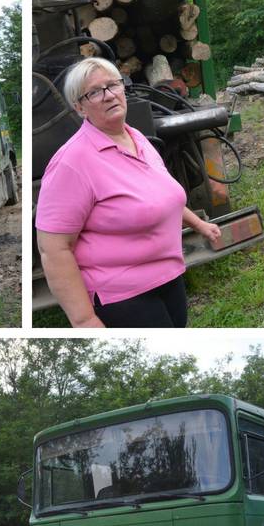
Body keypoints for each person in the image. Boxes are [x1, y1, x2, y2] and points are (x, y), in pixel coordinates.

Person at [35, 56, 222, 327]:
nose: (109, 95)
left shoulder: (136, 138)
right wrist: (85, 320)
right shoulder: (73, 161)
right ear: (79, 107)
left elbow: (161, 197)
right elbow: (54, 250)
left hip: (168, 275)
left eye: (113, 85)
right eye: (95, 92)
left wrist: (200, 224)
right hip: (122, 294)